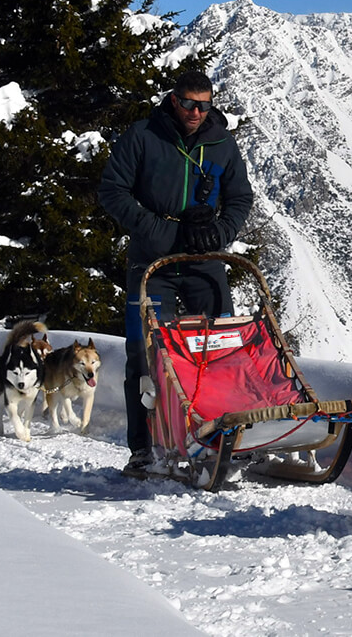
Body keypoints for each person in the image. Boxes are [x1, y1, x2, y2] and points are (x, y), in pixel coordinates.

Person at [99, 70, 255, 477]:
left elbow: (240, 197)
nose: (195, 112)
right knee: (144, 354)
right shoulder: (143, 135)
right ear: (173, 100)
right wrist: (164, 232)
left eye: (203, 104)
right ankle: (142, 449)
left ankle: (221, 439)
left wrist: (219, 233)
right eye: (188, 103)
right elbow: (112, 191)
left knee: (221, 347)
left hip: (204, 261)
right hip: (152, 262)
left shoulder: (222, 142)